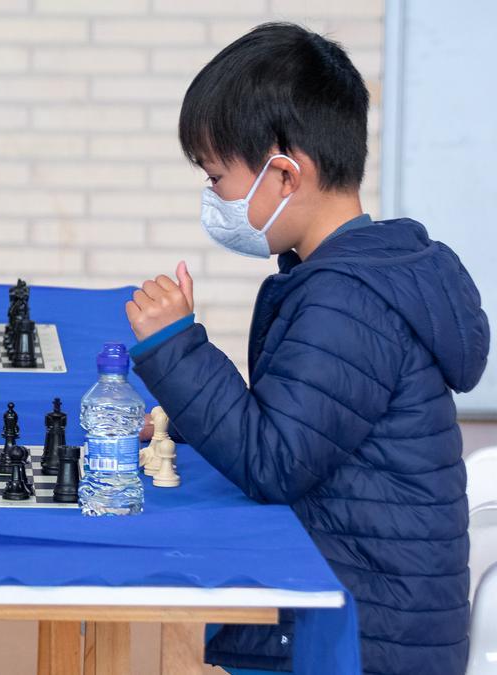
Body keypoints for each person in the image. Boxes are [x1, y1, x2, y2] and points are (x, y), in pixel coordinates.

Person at [124, 23, 488, 675]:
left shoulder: (347, 300)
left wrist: (177, 346)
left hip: (362, 637)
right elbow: (302, 428)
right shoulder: (355, 275)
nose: (213, 200)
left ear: (285, 173)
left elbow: (275, 459)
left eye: (218, 178)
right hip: (377, 609)